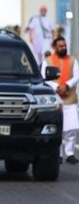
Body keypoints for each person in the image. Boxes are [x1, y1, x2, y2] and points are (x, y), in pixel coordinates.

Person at [43, 36, 79, 164]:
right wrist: (57, 87)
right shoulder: (48, 61)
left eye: (64, 45)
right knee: (57, 128)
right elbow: (44, 77)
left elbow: (77, 76)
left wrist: (67, 85)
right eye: (61, 46)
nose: (63, 48)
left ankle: (70, 153)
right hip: (55, 98)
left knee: (72, 127)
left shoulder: (72, 60)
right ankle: (58, 154)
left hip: (70, 98)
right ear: (55, 47)